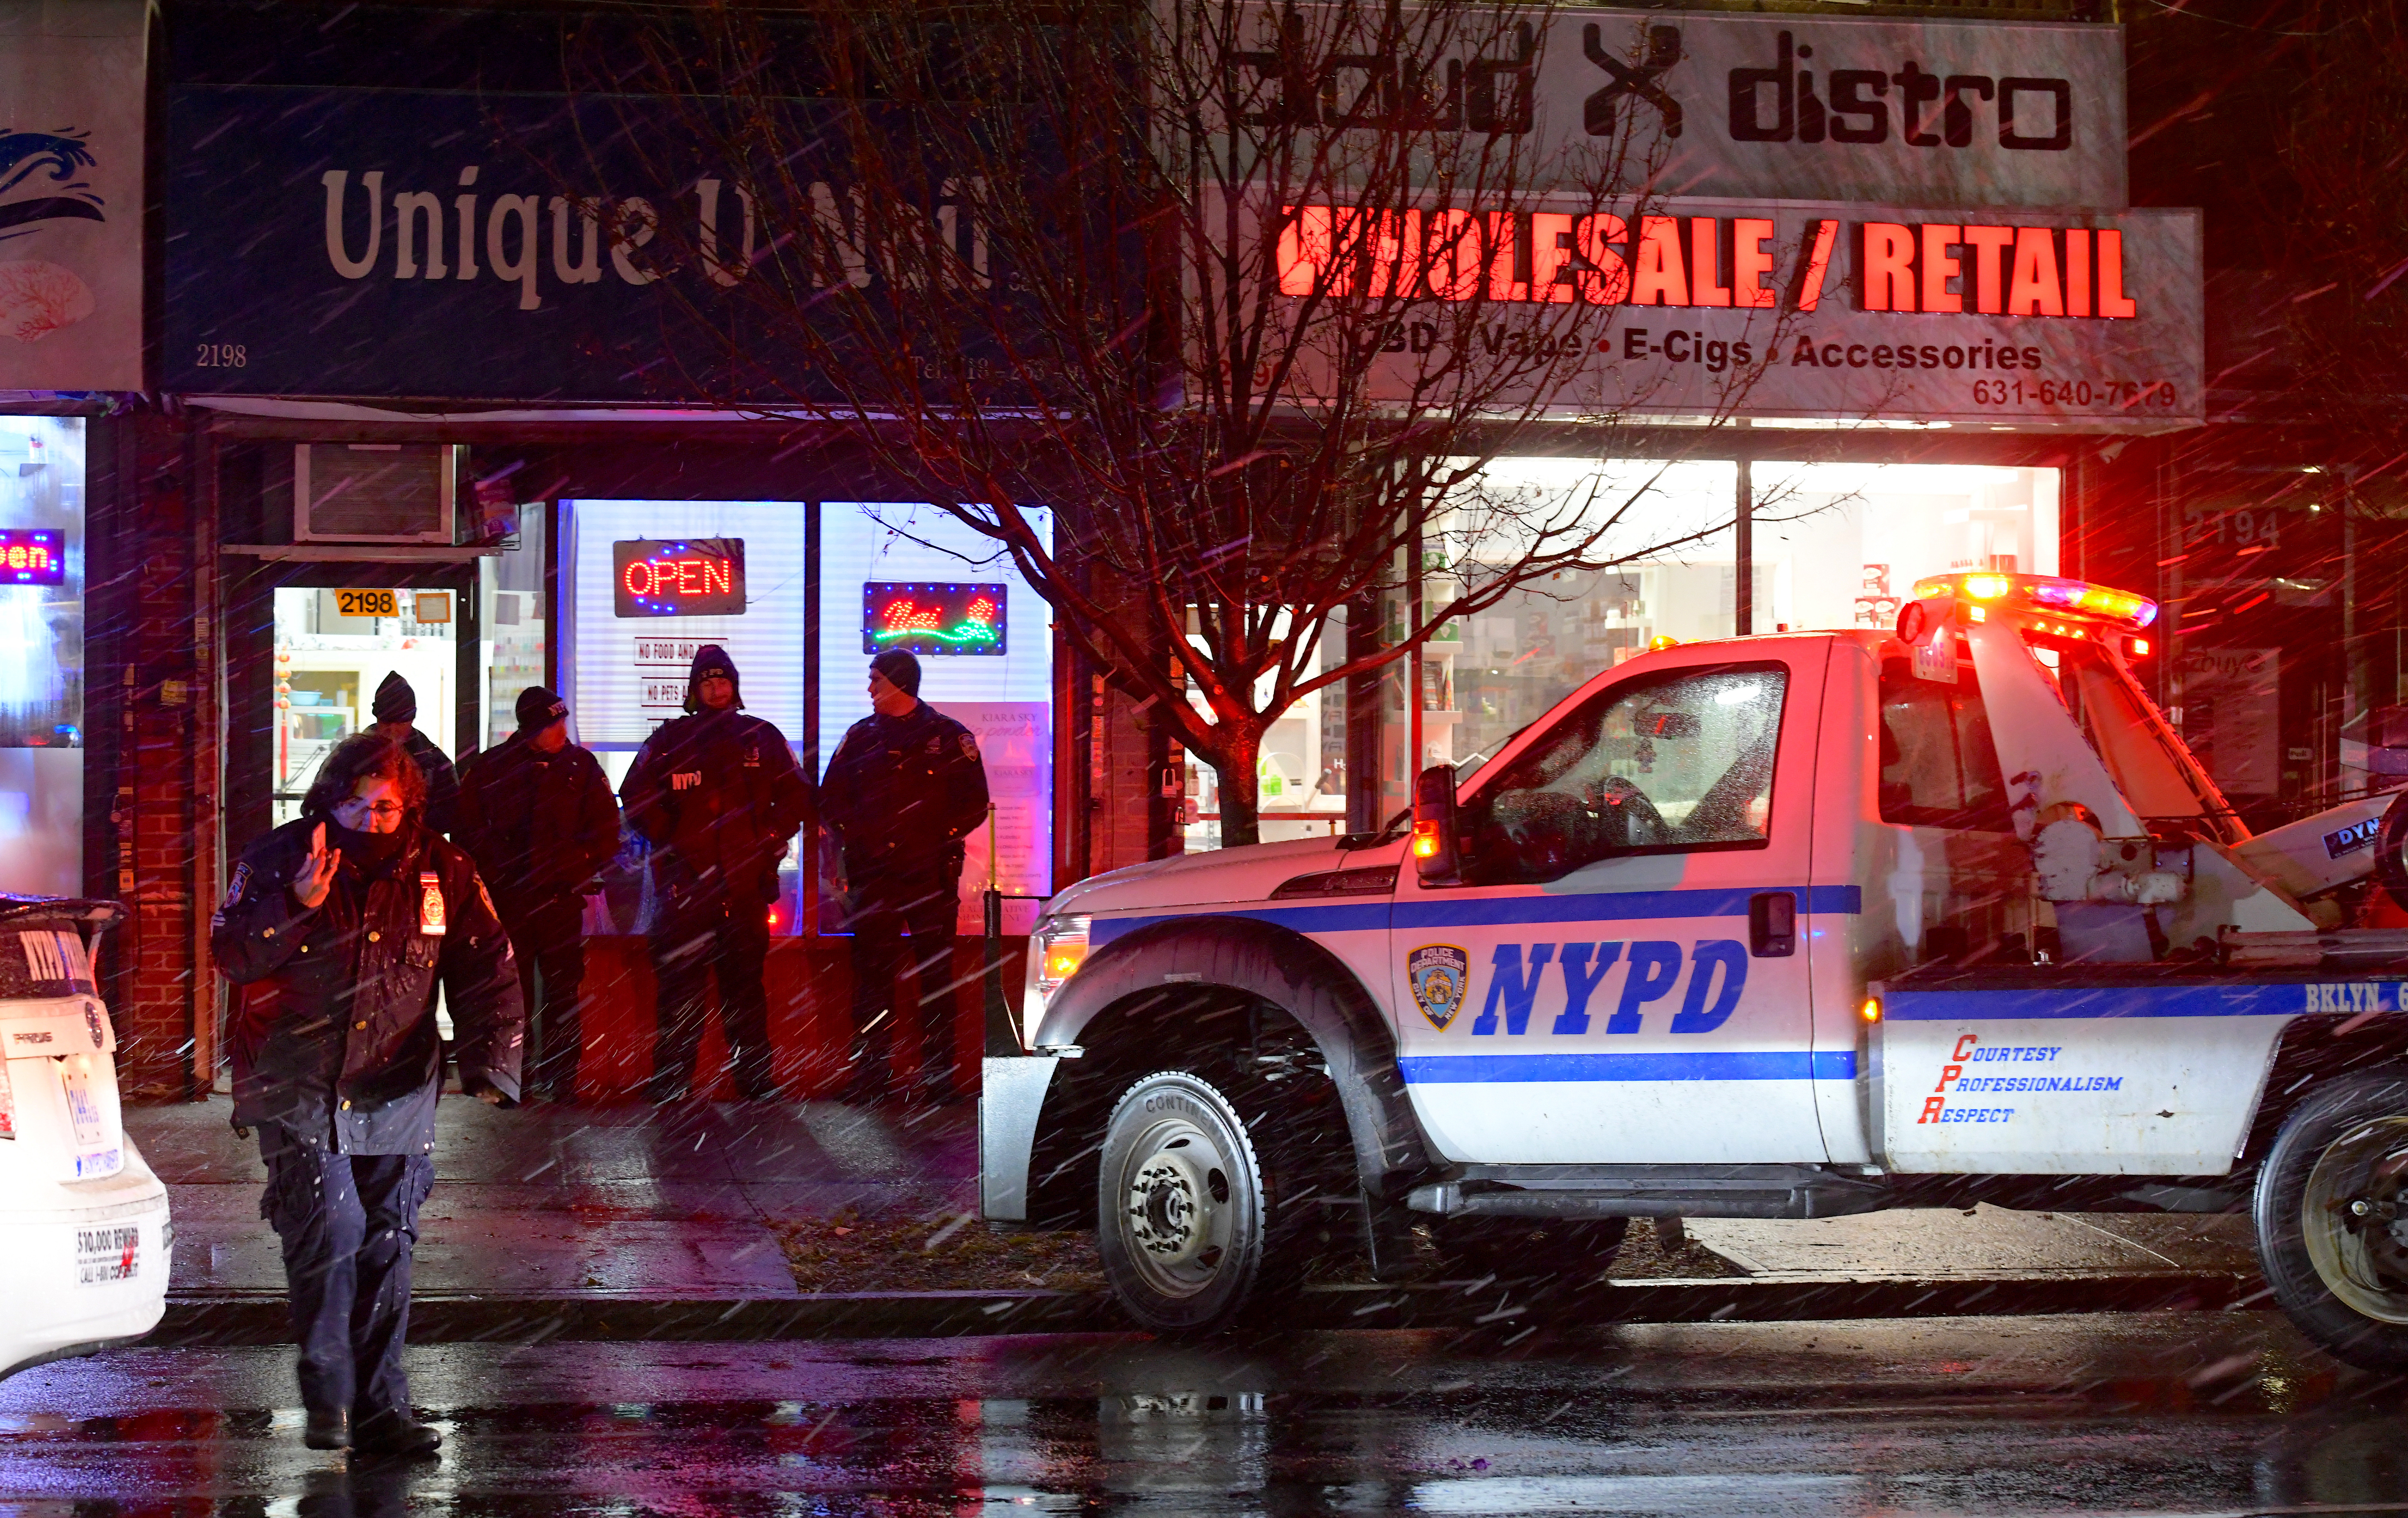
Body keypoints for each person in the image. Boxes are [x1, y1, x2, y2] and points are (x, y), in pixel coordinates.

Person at [210, 732, 523, 1458]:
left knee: (388, 1244)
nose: (372, 819)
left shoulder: (444, 868)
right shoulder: (281, 856)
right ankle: (331, 1396)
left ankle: (381, 1412)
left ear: (409, 804)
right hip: (298, 1082)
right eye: (358, 804)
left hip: (398, 1086)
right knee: (330, 1234)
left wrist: (491, 1063)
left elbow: (488, 968)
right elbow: (233, 953)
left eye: (386, 806)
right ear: (332, 797)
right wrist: (295, 903)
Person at [619, 644, 808, 1102]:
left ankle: (756, 1081)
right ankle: (671, 1082)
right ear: (693, 689)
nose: (716, 689)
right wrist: (674, 838)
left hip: (744, 889)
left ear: (735, 687)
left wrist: (769, 837)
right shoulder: (669, 740)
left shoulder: (762, 737)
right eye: (707, 682)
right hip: (686, 890)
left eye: (723, 681)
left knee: (745, 991)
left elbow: (799, 796)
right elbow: (635, 794)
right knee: (680, 992)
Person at [819, 649, 991, 1107]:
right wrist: (861, 840)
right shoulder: (860, 738)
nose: (869, 688)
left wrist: (933, 838)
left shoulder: (948, 737)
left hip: (929, 876)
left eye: (876, 679)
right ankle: (872, 1076)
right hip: (874, 877)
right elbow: (831, 800)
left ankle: (939, 1079)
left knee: (937, 978)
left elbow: (974, 803)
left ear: (899, 683)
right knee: (872, 979)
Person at [455, 685, 621, 1103]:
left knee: (564, 989)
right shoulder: (492, 769)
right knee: (514, 992)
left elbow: (606, 827)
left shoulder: (580, 766)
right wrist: (499, 876)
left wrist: (578, 868)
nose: (562, 729)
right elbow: (469, 832)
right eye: (553, 724)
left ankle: (563, 1076)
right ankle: (519, 1075)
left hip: (561, 899)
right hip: (510, 901)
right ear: (531, 729)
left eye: (563, 720)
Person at [370, 672, 461, 836]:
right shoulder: (350, 756)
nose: (391, 730)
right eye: (385, 723)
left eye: (399, 723)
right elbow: (319, 802)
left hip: (415, 851)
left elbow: (453, 816)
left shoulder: (436, 764)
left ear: (411, 720)